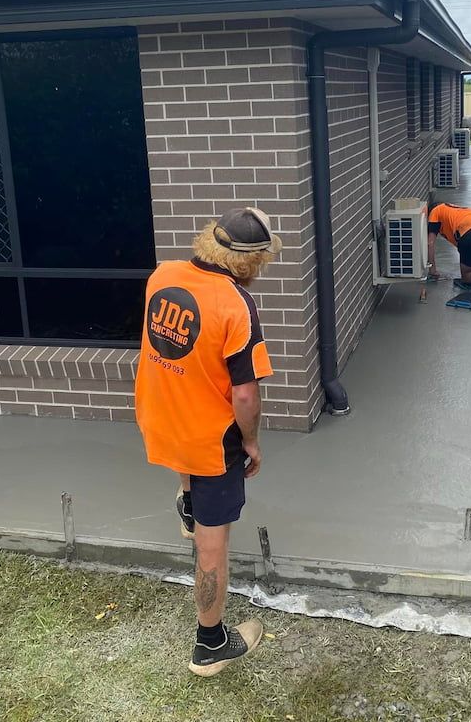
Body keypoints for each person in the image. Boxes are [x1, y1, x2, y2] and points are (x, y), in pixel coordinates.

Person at [135, 207, 282, 677]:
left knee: (194, 492)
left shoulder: (164, 274)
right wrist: (252, 443)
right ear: (251, 262)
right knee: (212, 548)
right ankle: (211, 643)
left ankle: (189, 501)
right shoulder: (236, 304)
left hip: (160, 415)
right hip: (210, 441)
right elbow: (244, 393)